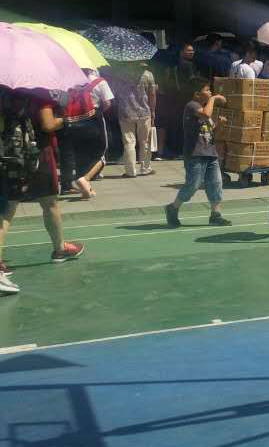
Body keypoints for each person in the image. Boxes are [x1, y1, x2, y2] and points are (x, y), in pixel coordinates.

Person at [0, 86, 85, 285]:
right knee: (49, 203)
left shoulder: (5, 92)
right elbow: (47, 124)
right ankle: (60, 249)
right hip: (39, 154)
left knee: (7, 209)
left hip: (11, 155)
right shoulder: (39, 94)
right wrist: (65, 120)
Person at [163, 81, 232, 228]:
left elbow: (211, 133)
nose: (210, 93)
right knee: (193, 185)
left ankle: (215, 214)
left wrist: (220, 125)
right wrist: (214, 99)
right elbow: (206, 114)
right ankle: (173, 207)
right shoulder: (192, 106)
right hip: (195, 153)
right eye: (207, 90)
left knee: (216, 183)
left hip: (210, 152)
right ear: (197, 94)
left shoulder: (205, 110)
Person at [60, 70, 110, 201]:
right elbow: (107, 103)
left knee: (80, 156)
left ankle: (86, 189)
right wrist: (96, 113)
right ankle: (85, 179)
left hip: (74, 124)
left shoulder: (68, 82)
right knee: (101, 155)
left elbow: (62, 103)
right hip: (94, 122)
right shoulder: (99, 81)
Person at [111, 61, 157, 178]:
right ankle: (145, 168)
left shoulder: (119, 74)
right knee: (145, 141)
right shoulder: (148, 74)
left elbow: (114, 92)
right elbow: (152, 94)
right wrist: (153, 111)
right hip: (144, 112)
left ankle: (130, 171)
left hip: (125, 112)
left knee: (129, 142)